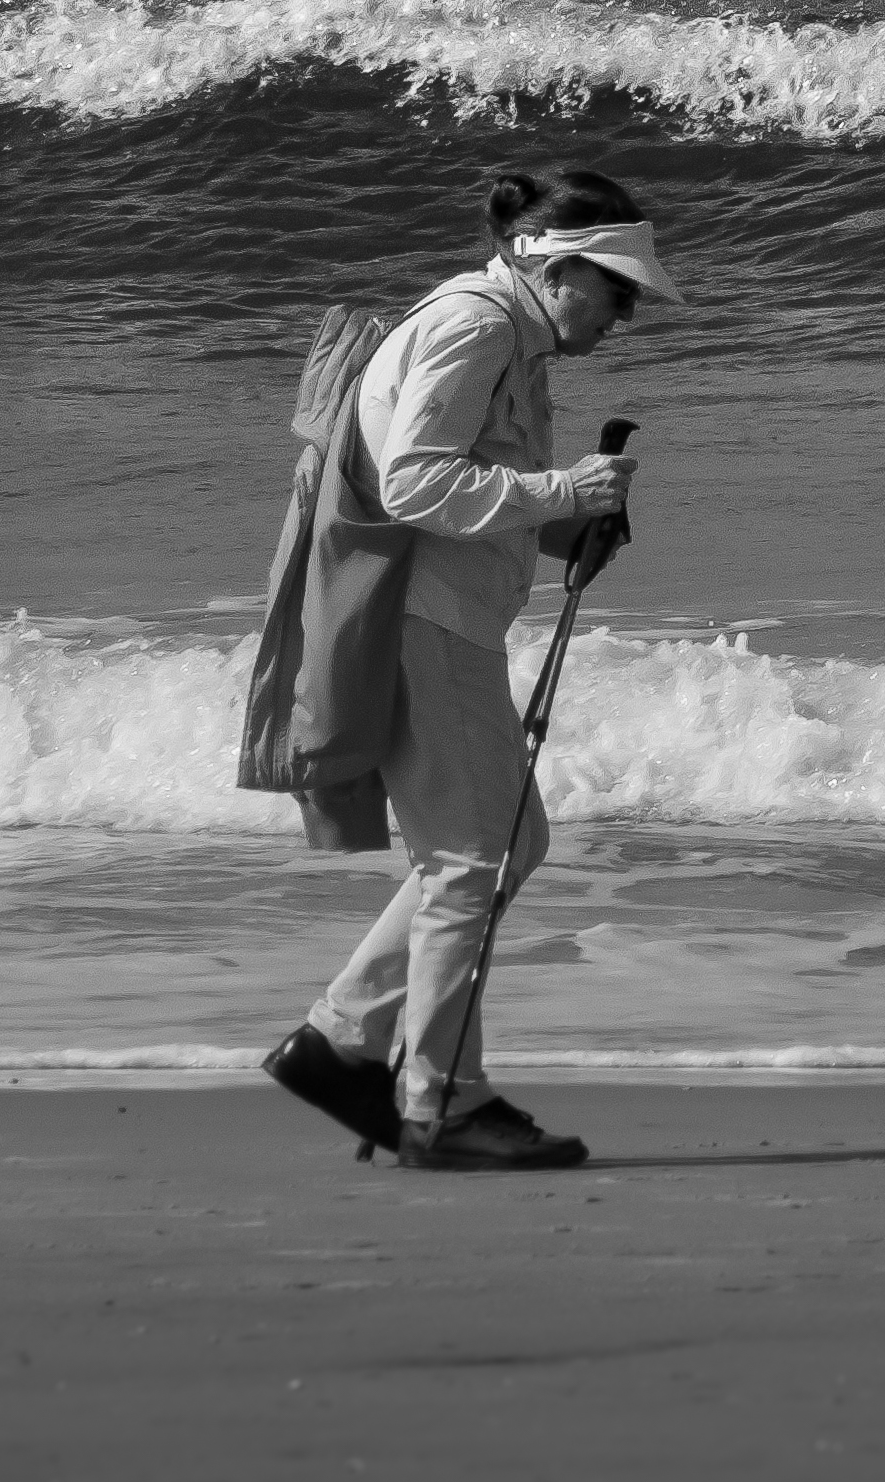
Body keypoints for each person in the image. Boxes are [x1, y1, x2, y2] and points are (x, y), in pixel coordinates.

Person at [285, 167, 674, 1171]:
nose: (623, 315)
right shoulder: (477, 326)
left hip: (438, 615)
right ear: (558, 267)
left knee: (503, 841)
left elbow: (462, 480)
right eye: (617, 290)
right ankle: (440, 1104)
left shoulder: (507, 334)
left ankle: (341, 1041)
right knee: (476, 859)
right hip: (425, 621)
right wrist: (564, 490)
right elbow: (415, 482)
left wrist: (558, 525)